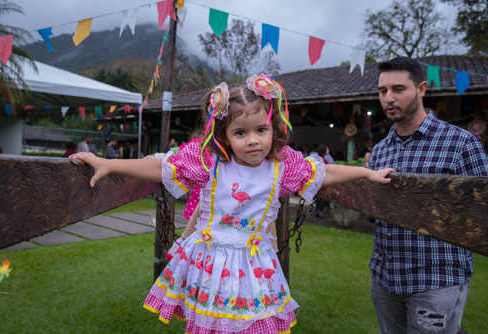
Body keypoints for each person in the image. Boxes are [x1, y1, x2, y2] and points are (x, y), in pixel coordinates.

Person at [71, 74, 392, 333]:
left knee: (249, 324)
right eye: (241, 132)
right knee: (211, 323)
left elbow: (323, 172)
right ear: (224, 135)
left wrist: (365, 174)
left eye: (261, 130)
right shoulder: (209, 161)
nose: (253, 140)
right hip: (209, 261)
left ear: (274, 129)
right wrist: (109, 164)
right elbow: (161, 167)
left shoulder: (283, 167)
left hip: (254, 265)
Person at [369, 57, 488, 334]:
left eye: (398, 89)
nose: (388, 98)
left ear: (421, 89)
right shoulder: (380, 150)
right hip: (385, 276)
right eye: (382, 91)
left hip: (437, 277)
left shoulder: (460, 143)